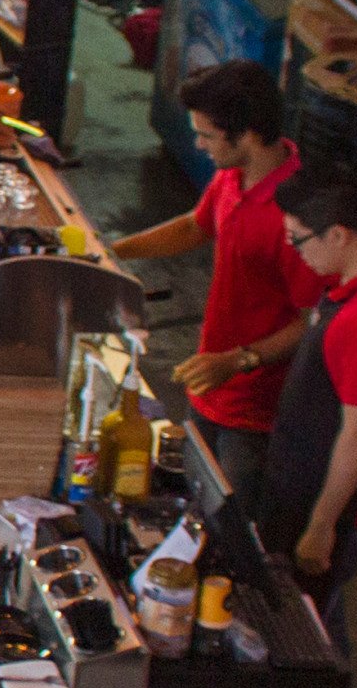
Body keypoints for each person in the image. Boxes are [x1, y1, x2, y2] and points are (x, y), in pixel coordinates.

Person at [109, 61, 316, 509]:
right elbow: (193, 227)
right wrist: (110, 254)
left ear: (247, 135)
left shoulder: (297, 215)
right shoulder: (231, 175)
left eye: (206, 135)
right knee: (196, 496)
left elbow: (312, 321)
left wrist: (240, 360)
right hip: (210, 383)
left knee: (232, 518)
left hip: (255, 413)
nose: (198, 144)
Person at [257, 164, 357, 644]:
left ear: (340, 235)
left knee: (302, 632)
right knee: (322, 620)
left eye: (298, 241)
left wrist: (322, 526)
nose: (295, 253)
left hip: (333, 504)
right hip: (305, 475)